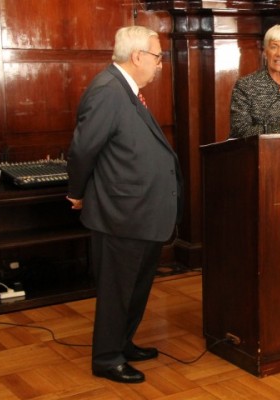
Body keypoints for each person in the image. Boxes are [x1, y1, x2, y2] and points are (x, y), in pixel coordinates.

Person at [66, 26, 183, 384]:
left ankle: (124, 343)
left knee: (136, 286)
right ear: (137, 57)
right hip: (121, 214)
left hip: (140, 212)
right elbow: (84, 150)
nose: (160, 64)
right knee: (118, 290)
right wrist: (77, 192)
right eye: (157, 56)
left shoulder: (126, 90)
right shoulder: (108, 91)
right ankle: (106, 358)